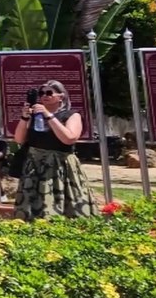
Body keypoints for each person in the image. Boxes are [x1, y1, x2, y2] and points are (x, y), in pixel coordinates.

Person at [13, 80, 99, 220]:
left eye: (49, 93)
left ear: (61, 96)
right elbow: (19, 139)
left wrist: (49, 115)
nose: (44, 96)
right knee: (31, 205)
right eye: (41, 93)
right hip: (35, 166)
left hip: (60, 166)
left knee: (63, 201)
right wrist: (24, 117)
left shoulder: (71, 115)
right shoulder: (35, 116)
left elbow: (69, 138)